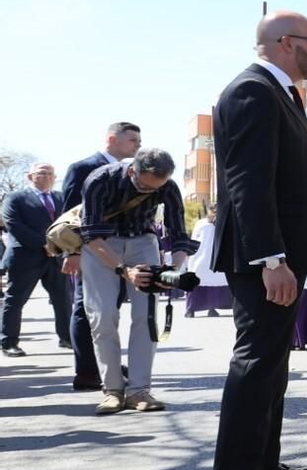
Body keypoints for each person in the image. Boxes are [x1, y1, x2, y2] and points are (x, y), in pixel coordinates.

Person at [208, 11, 307, 470]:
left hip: (279, 254)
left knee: (273, 364)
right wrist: (270, 258)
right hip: (264, 257)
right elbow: (248, 181)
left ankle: (263, 464)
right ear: (287, 43)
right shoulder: (252, 91)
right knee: (257, 362)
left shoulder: (279, 91)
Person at [77, 149, 197, 414]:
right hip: (102, 246)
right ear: (133, 170)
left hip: (143, 241)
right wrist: (124, 270)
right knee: (103, 315)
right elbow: (91, 236)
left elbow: (179, 236)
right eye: (143, 185)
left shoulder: (168, 186)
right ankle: (112, 391)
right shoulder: (100, 180)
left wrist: (171, 272)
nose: (147, 192)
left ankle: (139, 390)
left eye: (155, 188)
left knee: (146, 318)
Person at [59, 121, 142, 390]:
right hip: (90, 249)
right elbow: (70, 213)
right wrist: (72, 252)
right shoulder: (83, 168)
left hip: (120, 250)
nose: (138, 145)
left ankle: (104, 364)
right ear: (111, 139)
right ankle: (86, 372)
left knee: (109, 308)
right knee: (88, 308)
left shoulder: (132, 171)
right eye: (132, 140)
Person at [1, 163, 72, 357]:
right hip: (26, 256)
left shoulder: (61, 198)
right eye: (41, 173)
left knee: (63, 299)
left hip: (56, 257)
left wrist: (60, 248)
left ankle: (67, 338)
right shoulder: (15, 197)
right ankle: (9, 342)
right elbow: (13, 224)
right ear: (29, 176)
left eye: (50, 173)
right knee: (15, 300)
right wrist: (45, 244)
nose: (47, 176)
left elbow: (70, 223)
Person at [183, 204, 233, 317]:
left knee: (211, 281)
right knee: (198, 281)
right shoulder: (202, 224)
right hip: (202, 257)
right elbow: (195, 239)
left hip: (212, 258)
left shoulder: (220, 223)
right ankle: (191, 309)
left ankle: (211, 308)